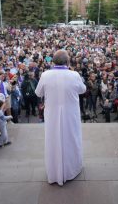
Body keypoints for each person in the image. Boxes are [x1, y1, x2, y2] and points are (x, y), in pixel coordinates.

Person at [35, 50, 86, 186]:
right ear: (68, 62)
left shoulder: (45, 75)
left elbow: (38, 92)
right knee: (71, 139)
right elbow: (83, 90)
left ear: (53, 61)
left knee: (53, 140)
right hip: (70, 114)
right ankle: (71, 169)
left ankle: (54, 171)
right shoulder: (74, 75)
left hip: (52, 114)